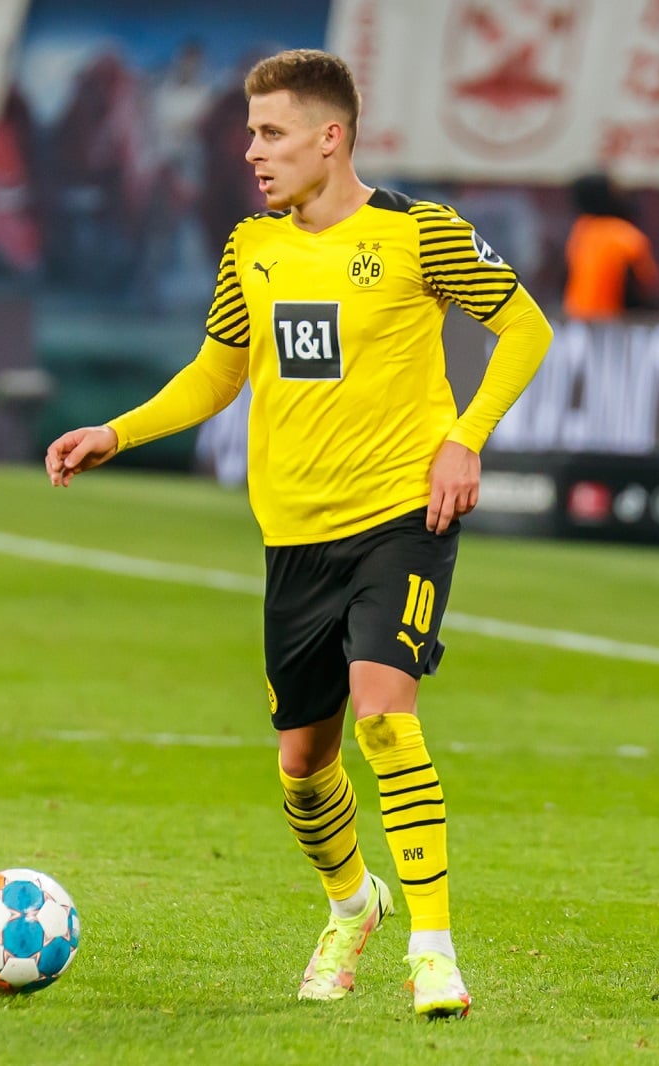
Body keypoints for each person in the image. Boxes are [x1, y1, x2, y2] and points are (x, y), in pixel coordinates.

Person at [44, 49, 552, 1020]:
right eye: (249, 133)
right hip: (294, 539)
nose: (252, 151)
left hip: (402, 516)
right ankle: (352, 905)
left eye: (270, 133)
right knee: (304, 772)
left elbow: (526, 328)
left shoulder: (420, 234)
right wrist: (117, 431)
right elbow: (216, 373)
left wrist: (464, 439)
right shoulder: (252, 247)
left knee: (383, 715)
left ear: (330, 137)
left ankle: (434, 953)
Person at [561, 171, 659, 319]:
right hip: (612, 323)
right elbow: (644, 289)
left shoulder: (580, 231)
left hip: (577, 322)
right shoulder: (626, 236)